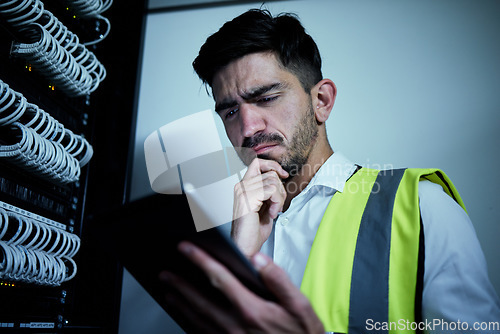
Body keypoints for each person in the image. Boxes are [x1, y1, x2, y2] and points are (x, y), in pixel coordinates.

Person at [159, 8, 500, 333]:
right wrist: (239, 259)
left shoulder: (422, 205)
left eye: (265, 98)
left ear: (321, 101)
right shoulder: (228, 233)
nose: (248, 128)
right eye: (230, 112)